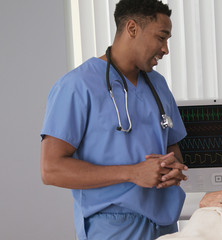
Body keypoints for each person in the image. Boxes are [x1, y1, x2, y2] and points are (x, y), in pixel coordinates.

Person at [40, 0, 188, 239]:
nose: (166, 49)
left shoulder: (158, 85)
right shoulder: (77, 86)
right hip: (112, 228)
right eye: (161, 37)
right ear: (132, 28)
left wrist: (172, 168)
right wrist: (132, 173)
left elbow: (173, 147)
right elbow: (51, 169)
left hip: (164, 227)